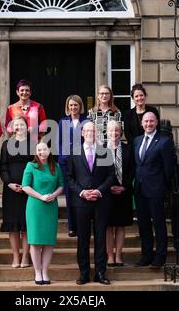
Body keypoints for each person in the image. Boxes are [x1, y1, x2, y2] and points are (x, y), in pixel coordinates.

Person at [66, 121, 115, 285]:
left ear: (97, 133)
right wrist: (82, 192)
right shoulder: (74, 153)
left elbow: (111, 176)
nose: (90, 134)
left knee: (101, 238)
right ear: (81, 133)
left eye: (93, 131)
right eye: (87, 131)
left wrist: (99, 191)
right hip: (81, 201)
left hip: (101, 200)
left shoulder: (104, 152)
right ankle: (84, 273)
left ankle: (100, 273)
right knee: (83, 239)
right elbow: (69, 177)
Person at [133, 112, 174, 268]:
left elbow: (168, 169)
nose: (148, 124)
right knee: (143, 225)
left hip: (155, 190)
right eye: (146, 121)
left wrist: (162, 187)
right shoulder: (137, 141)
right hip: (140, 189)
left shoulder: (164, 142)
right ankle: (147, 255)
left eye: (151, 121)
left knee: (158, 224)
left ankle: (160, 256)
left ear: (156, 122)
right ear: (142, 123)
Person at [22, 142, 64, 285]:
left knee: (48, 242)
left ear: (49, 150)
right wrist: (41, 197)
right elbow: (25, 187)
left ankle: (45, 271)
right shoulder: (30, 166)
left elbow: (61, 185)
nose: (41, 152)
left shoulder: (56, 167)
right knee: (35, 241)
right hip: (35, 206)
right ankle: (37, 272)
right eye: (38, 149)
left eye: (44, 149)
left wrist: (53, 195)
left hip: (51, 206)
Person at [0, 116, 33, 268]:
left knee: (26, 225)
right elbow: (3, 166)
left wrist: (27, 185)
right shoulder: (6, 144)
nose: (19, 127)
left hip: (29, 189)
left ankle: (26, 256)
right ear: (12, 128)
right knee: (13, 226)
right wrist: (9, 183)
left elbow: (37, 166)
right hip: (11, 190)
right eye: (16, 125)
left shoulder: (33, 144)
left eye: (22, 124)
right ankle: (16, 256)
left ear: (27, 127)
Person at [57, 95, 88, 238]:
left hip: (82, 162)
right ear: (67, 107)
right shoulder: (62, 122)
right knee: (69, 195)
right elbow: (59, 143)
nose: (73, 108)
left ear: (80, 106)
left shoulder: (86, 121)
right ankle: (72, 226)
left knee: (81, 192)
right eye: (71, 105)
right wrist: (63, 158)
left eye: (76, 105)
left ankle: (83, 226)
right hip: (66, 163)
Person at [105, 120, 135, 267]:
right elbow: (98, 173)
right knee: (109, 226)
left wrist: (124, 187)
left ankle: (118, 255)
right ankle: (110, 255)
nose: (114, 133)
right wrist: (108, 187)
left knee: (121, 226)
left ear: (120, 132)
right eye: (111, 130)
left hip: (124, 192)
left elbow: (132, 171)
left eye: (117, 130)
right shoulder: (101, 149)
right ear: (106, 132)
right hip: (107, 193)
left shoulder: (128, 148)